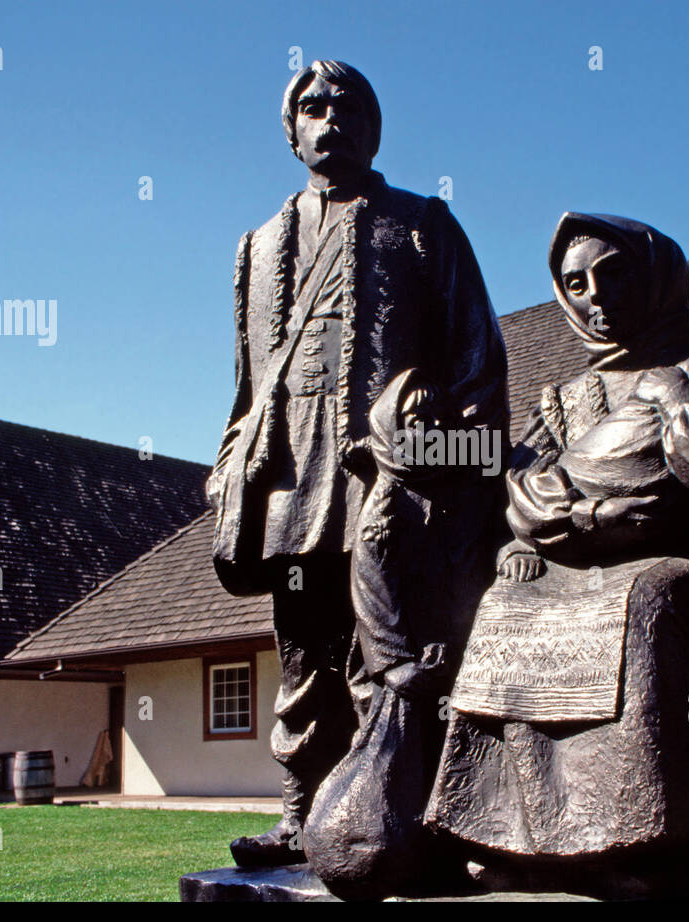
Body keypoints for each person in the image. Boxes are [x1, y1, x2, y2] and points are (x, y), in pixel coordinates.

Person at [425, 213, 689, 892]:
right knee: (505, 607)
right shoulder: (563, 401)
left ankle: (649, 839)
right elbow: (522, 496)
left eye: (614, 271)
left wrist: (679, 404)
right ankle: (516, 838)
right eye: (575, 281)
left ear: (657, 275)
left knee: (650, 596)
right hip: (572, 573)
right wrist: (588, 519)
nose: (595, 293)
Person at [206, 60, 507, 867]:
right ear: (290, 129)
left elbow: (476, 353)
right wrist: (230, 464)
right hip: (289, 476)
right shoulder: (258, 246)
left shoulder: (420, 223)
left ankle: (412, 816)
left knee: (391, 651)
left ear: (372, 127)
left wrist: (455, 462)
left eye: (346, 107)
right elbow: (247, 378)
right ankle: (303, 816)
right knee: (304, 654)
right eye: (311, 107)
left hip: (386, 471)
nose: (328, 118)